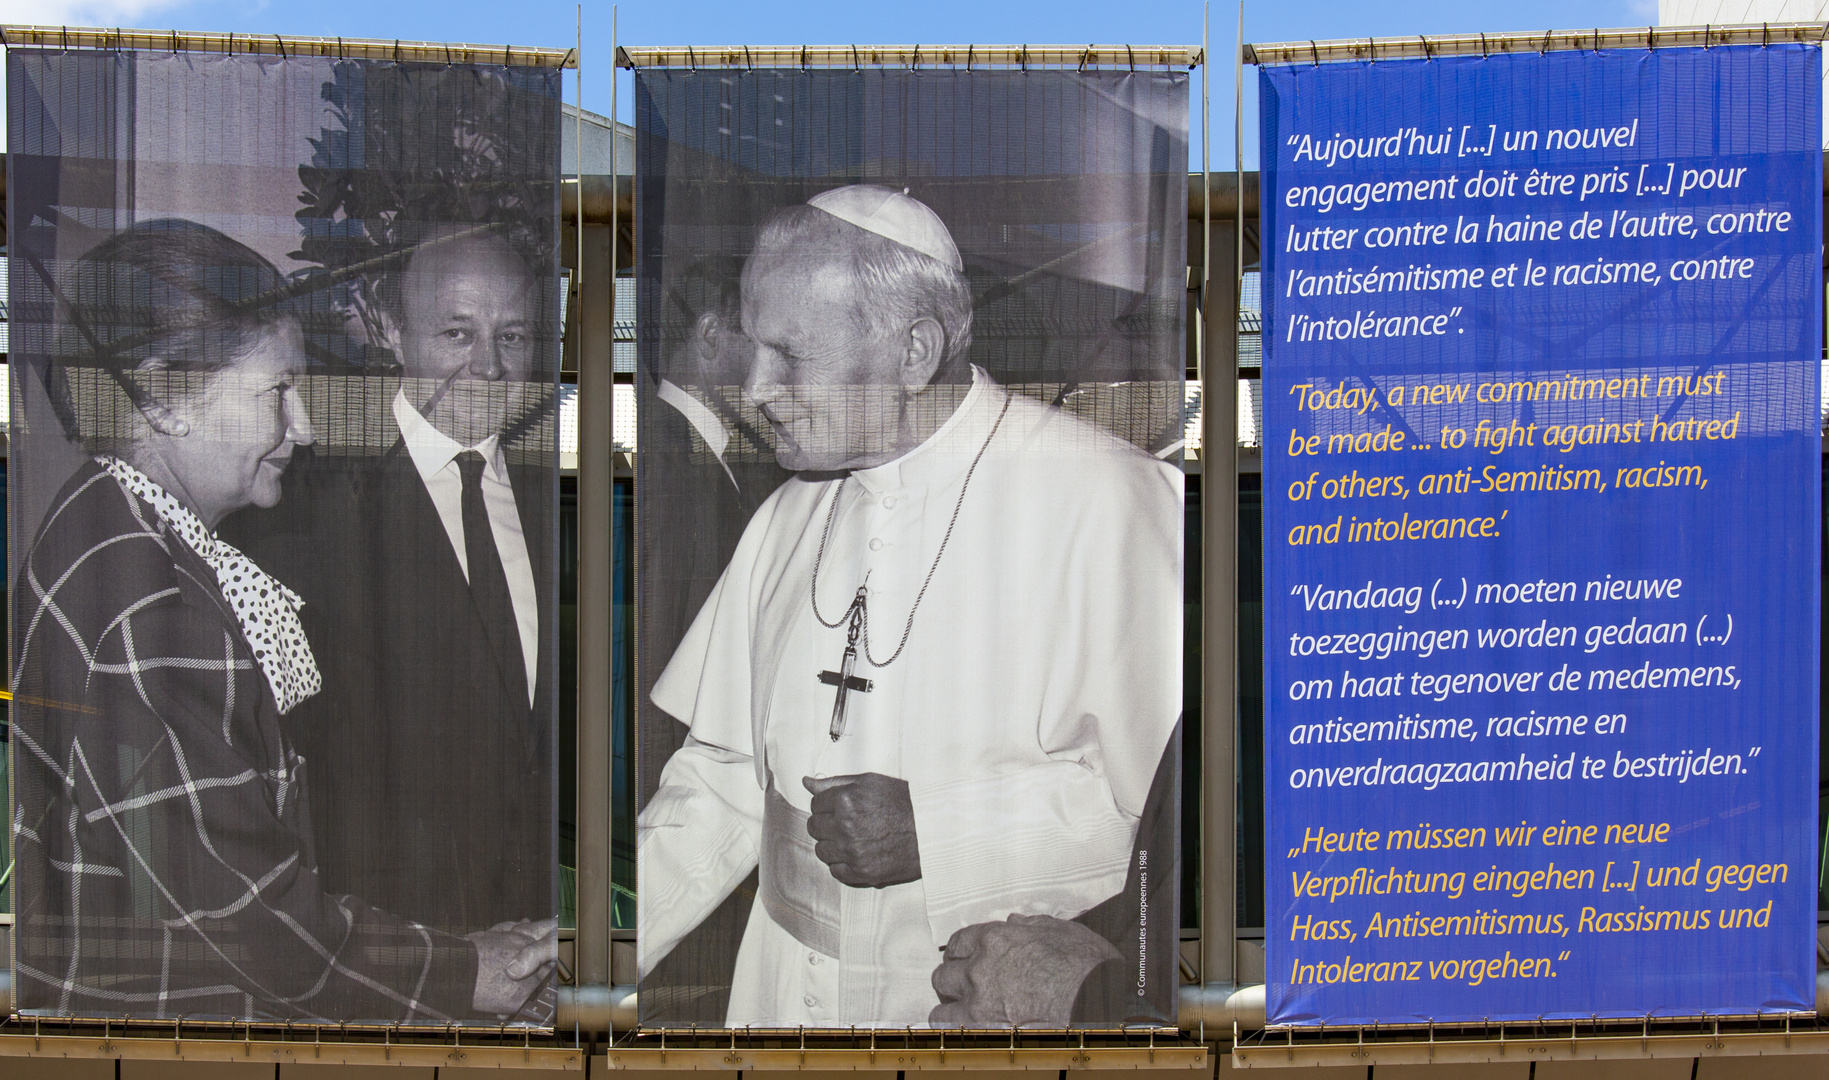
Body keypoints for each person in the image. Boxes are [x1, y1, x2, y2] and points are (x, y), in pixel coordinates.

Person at [637, 186, 1183, 1027]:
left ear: (913, 352)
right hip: (779, 1001)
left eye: (787, 355)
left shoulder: (1107, 498)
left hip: (975, 1012)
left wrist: (940, 829)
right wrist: (596, 950)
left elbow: (1166, 815)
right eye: (751, 349)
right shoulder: (788, 515)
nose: (753, 388)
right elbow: (721, 779)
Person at [11, 220, 549, 1021]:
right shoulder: (155, 611)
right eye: (276, 392)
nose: (302, 426)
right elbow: (253, 924)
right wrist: (463, 972)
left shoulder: (101, 524)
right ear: (165, 399)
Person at [229, 227, 556, 942]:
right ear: (394, 334)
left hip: (534, 941)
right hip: (383, 956)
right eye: (457, 333)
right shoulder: (301, 507)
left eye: (513, 336)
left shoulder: (560, 497)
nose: (490, 369)